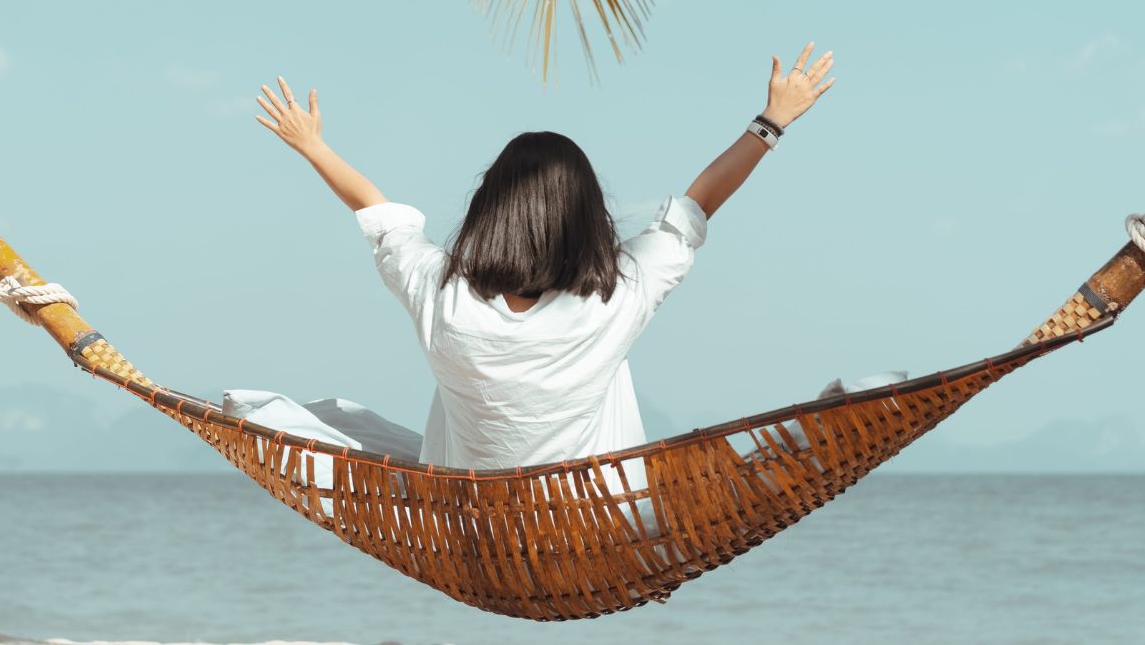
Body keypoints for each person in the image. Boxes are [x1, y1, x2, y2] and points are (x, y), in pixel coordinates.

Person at [253, 43, 835, 473]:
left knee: (324, 422)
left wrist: (314, 148)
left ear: (488, 208)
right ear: (587, 219)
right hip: (595, 521)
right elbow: (697, 204)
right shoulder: (618, 293)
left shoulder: (441, 292)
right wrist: (771, 122)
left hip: (471, 521)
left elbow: (380, 216)